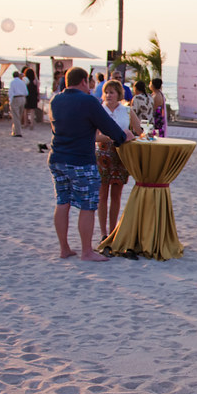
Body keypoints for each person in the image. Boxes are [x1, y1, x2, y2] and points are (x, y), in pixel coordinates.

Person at [48, 68, 134, 261]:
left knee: (63, 202)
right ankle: (86, 251)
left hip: (57, 158)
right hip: (80, 160)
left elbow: (55, 126)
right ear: (84, 82)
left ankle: (64, 249)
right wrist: (123, 137)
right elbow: (108, 126)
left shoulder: (55, 100)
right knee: (87, 205)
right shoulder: (88, 101)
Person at [96, 79, 141, 239]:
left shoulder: (127, 111)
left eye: (112, 92)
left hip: (121, 154)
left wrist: (130, 137)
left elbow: (139, 131)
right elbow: (94, 136)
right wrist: (112, 137)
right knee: (102, 195)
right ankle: (103, 232)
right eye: (106, 92)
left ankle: (113, 231)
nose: (108, 95)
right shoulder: (99, 110)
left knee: (116, 195)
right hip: (103, 154)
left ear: (118, 94)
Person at [8, 70, 28, 136]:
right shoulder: (22, 82)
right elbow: (26, 92)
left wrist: (10, 101)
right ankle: (14, 131)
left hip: (16, 98)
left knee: (15, 116)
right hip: (22, 98)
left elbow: (11, 92)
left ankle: (18, 132)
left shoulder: (12, 82)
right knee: (19, 116)